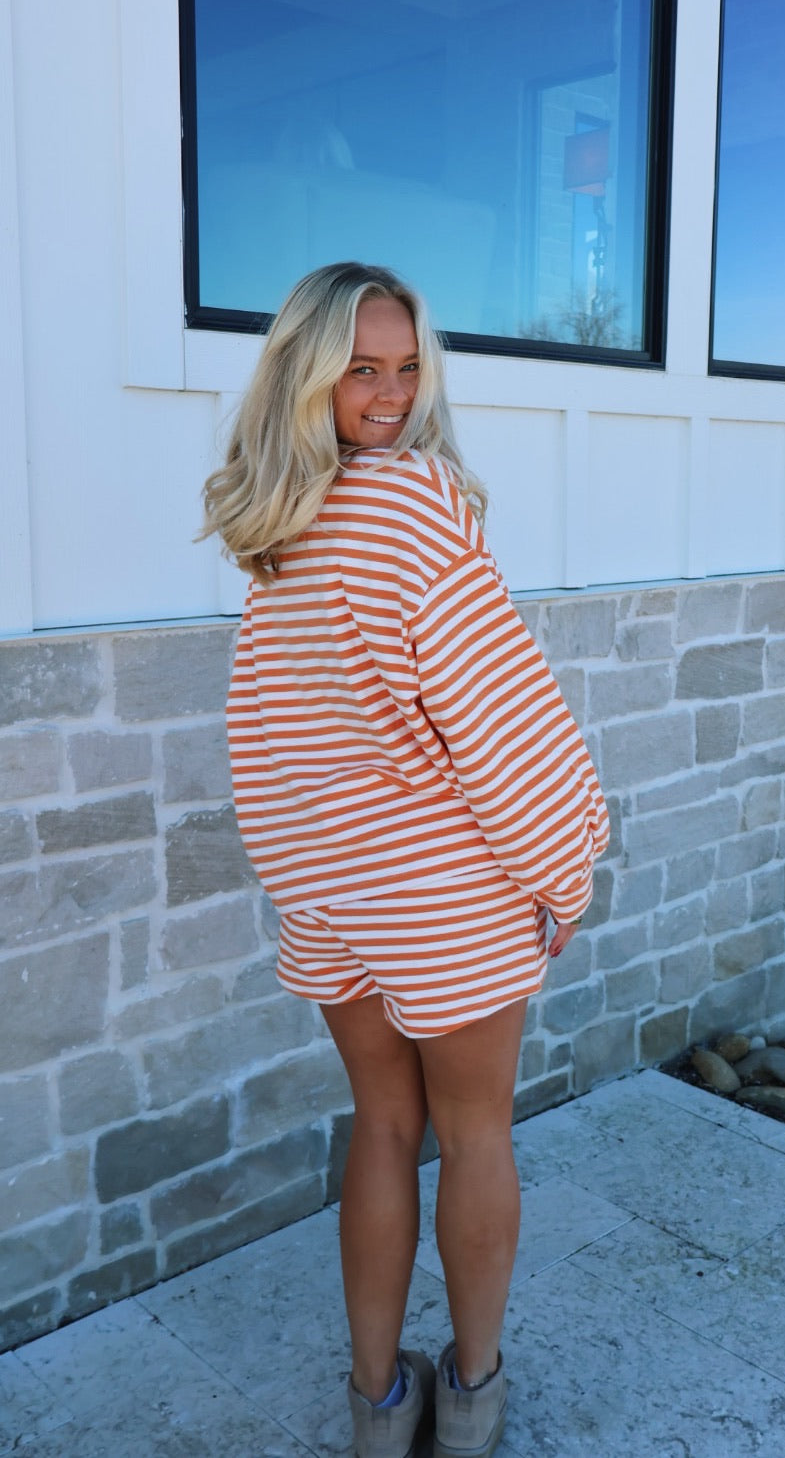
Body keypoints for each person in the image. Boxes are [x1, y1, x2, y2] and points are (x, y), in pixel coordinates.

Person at [201, 262, 609, 1458]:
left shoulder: (278, 527)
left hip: (333, 893)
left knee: (381, 1127)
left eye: (407, 367)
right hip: (444, 895)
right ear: (307, 375)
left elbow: (264, 734)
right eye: (361, 370)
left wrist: (305, 882)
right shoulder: (415, 506)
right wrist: (566, 870)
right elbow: (505, 723)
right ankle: (470, 1399)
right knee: (475, 1137)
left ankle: (378, 1409)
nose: (390, 395)